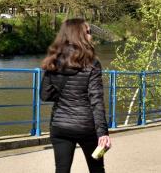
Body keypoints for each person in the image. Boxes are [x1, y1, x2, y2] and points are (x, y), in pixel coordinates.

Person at [40, 18, 111, 173]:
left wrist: (66, 95)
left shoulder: (53, 61)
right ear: (79, 35)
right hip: (87, 127)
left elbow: (44, 95)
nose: (91, 35)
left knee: (62, 170)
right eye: (88, 32)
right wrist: (103, 133)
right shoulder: (92, 63)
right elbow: (96, 100)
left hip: (60, 125)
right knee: (97, 169)